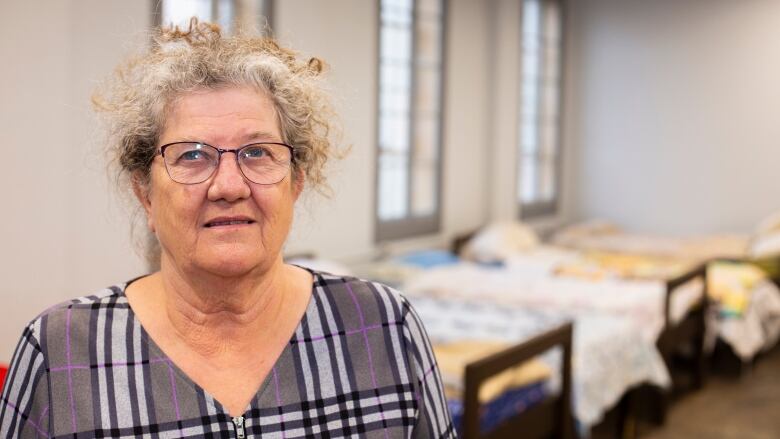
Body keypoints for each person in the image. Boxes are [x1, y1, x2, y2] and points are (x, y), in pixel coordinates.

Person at [0, 19, 455, 438]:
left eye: (258, 152)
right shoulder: (60, 353)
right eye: (192, 155)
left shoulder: (383, 325)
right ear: (145, 194)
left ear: (295, 182)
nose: (229, 185)